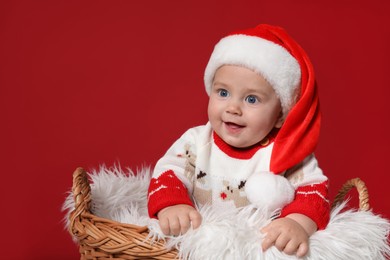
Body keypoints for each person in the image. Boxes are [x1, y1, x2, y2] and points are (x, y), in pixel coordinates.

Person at [147, 24, 329, 257]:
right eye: (223, 93)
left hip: (255, 250)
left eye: (251, 99)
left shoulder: (286, 151)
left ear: (281, 115)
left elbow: (314, 191)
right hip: (200, 244)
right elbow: (168, 172)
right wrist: (173, 205)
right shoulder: (196, 141)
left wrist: (296, 223)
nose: (233, 108)